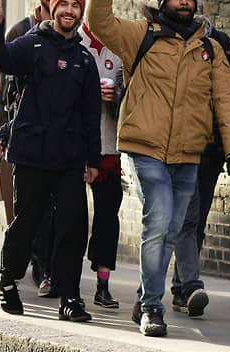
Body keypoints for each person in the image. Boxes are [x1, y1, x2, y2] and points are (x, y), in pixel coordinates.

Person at [86, 0, 230, 337]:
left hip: (189, 152)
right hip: (145, 148)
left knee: (174, 229)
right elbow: (101, 22)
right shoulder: (142, 35)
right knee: (158, 222)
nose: (183, 2)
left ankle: (146, 292)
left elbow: (226, 100)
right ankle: (152, 309)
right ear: (163, 4)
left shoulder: (210, 48)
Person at [0, 0, 101, 323]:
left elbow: (90, 114)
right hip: (32, 152)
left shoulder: (84, 59)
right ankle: (7, 280)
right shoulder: (33, 43)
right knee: (27, 223)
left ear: (80, 14)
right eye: (63, 5)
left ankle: (70, 297)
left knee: (72, 228)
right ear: (52, 9)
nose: (69, 11)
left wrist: (92, 161)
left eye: (75, 7)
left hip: (68, 158)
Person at [169, 0, 230, 317]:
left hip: (211, 145)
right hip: (178, 143)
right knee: (186, 216)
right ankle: (188, 285)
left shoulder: (220, 43)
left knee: (198, 217)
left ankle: (182, 286)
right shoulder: (165, 41)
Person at [0, 0, 65, 294]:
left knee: (57, 209)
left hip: (60, 136)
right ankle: (33, 266)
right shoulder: (19, 32)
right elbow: (2, 83)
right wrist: (1, 128)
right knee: (31, 208)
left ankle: (49, 268)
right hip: (26, 131)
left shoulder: (74, 34)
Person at [79, 20, 124, 309]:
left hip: (108, 148)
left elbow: (130, 99)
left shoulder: (118, 50)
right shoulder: (72, 44)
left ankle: (103, 285)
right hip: (75, 147)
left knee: (108, 218)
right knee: (70, 219)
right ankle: (56, 276)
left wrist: (116, 96)